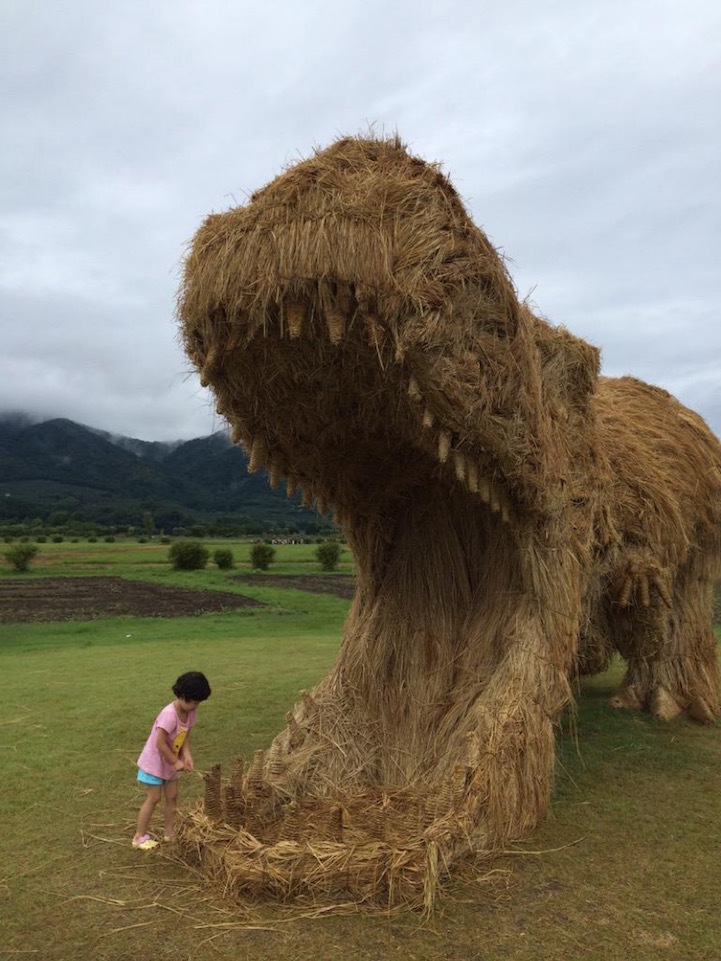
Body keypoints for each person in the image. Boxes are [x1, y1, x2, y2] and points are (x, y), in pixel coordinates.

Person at [132, 671, 211, 850]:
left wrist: (187, 755)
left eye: (199, 703)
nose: (196, 706)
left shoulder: (190, 713)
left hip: (170, 761)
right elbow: (159, 743)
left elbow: (184, 736)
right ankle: (139, 837)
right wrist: (175, 762)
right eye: (194, 702)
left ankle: (170, 832)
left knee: (172, 796)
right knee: (154, 797)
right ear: (183, 696)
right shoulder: (169, 714)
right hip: (155, 763)